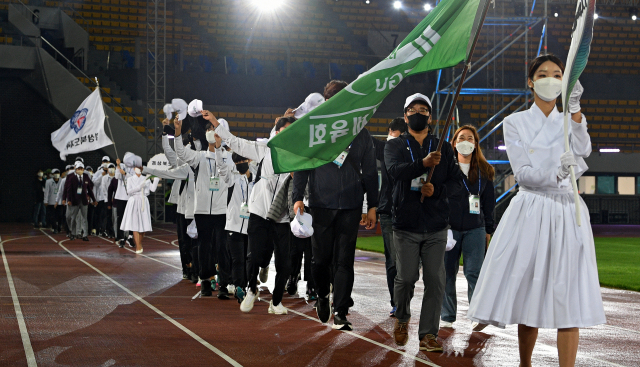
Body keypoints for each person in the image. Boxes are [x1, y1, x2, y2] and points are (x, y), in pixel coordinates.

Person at [467, 54, 606, 367]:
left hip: (568, 209)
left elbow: (583, 149)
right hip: (532, 208)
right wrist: (555, 172)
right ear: (530, 81)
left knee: (568, 293)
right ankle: (525, 363)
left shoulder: (570, 118)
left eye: (558, 75)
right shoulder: (514, 122)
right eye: (543, 74)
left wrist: (575, 110)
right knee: (529, 289)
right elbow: (524, 173)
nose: (550, 79)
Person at [293, 80, 379, 331]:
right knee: (320, 260)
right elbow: (303, 166)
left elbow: (371, 172)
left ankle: (341, 310)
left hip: (351, 206)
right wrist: (298, 196)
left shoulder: (361, 132)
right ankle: (322, 294)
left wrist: (372, 205)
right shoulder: (315, 130)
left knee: (344, 261)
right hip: (321, 204)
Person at [385, 93, 465, 352]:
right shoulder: (395, 145)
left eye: (423, 109)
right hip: (406, 225)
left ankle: (428, 334)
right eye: (413, 109)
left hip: (436, 225)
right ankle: (402, 319)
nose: (418, 113)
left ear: (430, 116)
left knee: (435, 279)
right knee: (406, 278)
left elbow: (456, 182)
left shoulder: (443, 146)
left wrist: (437, 191)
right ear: (405, 114)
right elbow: (394, 172)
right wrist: (423, 164)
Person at [209, 114, 293, 314]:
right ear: (277, 133)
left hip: (282, 216)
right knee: (253, 255)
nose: (286, 136)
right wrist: (216, 124)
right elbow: (237, 143)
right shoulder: (264, 150)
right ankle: (251, 290)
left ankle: (277, 301)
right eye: (283, 131)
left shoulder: (297, 157)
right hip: (259, 212)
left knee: (284, 262)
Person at [440, 125, 495, 330]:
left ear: (475, 143)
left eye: (470, 138)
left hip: (476, 229)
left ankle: (478, 314)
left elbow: (489, 204)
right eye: (461, 137)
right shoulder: (445, 169)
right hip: (449, 229)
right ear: (453, 143)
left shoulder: (485, 171)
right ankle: (447, 316)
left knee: (475, 272)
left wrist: (488, 230)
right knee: (447, 273)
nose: (465, 141)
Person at [174, 117, 232, 298]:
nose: (213, 134)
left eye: (217, 131)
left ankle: (224, 284)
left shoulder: (229, 158)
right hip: (202, 209)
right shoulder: (199, 157)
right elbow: (182, 154)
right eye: (210, 130)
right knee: (204, 246)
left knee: (223, 247)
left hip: (222, 210)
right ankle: (206, 280)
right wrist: (177, 133)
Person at [143, 121, 198, 281]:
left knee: (194, 240)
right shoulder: (179, 162)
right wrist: (165, 134)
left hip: (195, 208)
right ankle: (186, 268)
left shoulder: (197, 162)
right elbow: (168, 150)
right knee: (183, 241)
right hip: (181, 207)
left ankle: (195, 269)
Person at [372, 117, 407, 317]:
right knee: (393, 259)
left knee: (410, 261)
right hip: (387, 211)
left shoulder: (411, 150)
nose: (397, 139)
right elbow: (363, 137)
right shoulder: (384, 148)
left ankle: (402, 297)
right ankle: (397, 302)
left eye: (402, 135)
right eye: (395, 133)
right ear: (389, 131)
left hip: (408, 209)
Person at [217, 149, 254, 303]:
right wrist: (218, 148)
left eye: (242, 161)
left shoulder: (256, 180)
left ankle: (248, 287)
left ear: (249, 161)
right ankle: (240, 288)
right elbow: (221, 166)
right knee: (237, 259)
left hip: (252, 227)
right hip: (234, 226)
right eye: (237, 162)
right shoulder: (232, 179)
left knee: (250, 260)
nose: (240, 165)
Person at [120, 160, 160, 254]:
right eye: (136, 167)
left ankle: (139, 244)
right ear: (134, 169)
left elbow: (153, 189)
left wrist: (156, 178)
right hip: (134, 201)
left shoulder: (146, 178)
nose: (138, 169)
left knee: (143, 225)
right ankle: (138, 246)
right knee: (135, 225)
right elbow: (128, 191)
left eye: (140, 167)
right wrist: (139, 187)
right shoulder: (130, 179)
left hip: (143, 201)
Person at [63, 161, 97, 241]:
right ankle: (73, 233)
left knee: (84, 218)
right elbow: (67, 189)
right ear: (76, 169)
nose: (80, 170)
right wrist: (67, 199)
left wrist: (94, 199)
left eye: (81, 168)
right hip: (74, 200)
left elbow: (89, 188)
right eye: (79, 168)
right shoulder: (70, 177)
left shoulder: (85, 176)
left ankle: (85, 235)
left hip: (84, 200)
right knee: (73, 218)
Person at [99, 163, 117, 238]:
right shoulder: (105, 178)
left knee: (115, 217)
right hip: (108, 200)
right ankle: (110, 231)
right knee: (108, 216)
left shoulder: (117, 177)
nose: (111, 169)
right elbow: (104, 190)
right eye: (110, 168)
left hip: (116, 200)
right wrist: (109, 199)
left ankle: (116, 232)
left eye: (113, 168)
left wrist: (115, 198)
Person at [44, 169, 62, 233]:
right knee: (52, 216)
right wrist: (45, 201)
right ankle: (55, 228)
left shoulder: (62, 181)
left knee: (60, 215)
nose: (57, 174)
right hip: (51, 201)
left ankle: (59, 225)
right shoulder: (48, 182)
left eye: (58, 173)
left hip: (60, 202)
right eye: (55, 173)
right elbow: (46, 192)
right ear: (52, 174)